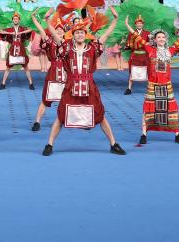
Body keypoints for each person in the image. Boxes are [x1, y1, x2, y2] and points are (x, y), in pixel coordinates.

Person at [40, 9, 125, 156]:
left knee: (100, 115)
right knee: (61, 115)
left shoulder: (92, 48)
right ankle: (49, 145)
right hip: (71, 86)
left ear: (86, 35)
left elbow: (106, 35)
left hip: (89, 86)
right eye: (77, 33)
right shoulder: (66, 48)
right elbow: (55, 36)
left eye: (82, 33)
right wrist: (47, 20)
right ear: (72, 35)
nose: (80, 35)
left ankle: (113, 144)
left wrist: (115, 20)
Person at [129, 28, 179, 145]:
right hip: (153, 85)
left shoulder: (171, 50)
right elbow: (138, 37)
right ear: (155, 40)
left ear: (166, 39)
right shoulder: (150, 49)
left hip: (166, 85)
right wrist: (128, 25)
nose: (161, 39)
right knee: (148, 109)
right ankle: (144, 133)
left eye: (163, 37)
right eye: (159, 37)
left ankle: (177, 134)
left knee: (172, 108)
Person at [30, 11, 69, 132]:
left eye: (61, 29)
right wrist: (34, 19)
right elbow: (41, 30)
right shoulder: (49, 42)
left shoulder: (68, 44)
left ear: (65, 32)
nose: (59, 31)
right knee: (46, 99)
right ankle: (37, 121)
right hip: (53, 73)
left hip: (66, 73)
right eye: (57, 29)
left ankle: (68, 119)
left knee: (68, 98)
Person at [0, 12, 34, 90]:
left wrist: (22, 32)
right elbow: (0, 31)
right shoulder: (10, 29)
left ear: (19, 20)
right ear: (12, 20)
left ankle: (31, 83)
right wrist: (10, 33)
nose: (15, 20)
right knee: (8, 67)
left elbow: (30, 30)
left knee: (26, 66)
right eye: (14, 19)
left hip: (21, 49)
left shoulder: (22, 28)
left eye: (17, 19)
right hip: (13, 49)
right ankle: (3, 83)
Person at [122, 15, 151, 95]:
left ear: (143, 24)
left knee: (147, 71)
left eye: (141, 23)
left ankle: (150, 88)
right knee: (132, 71)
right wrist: (125, 46)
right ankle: (129, 88)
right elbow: (128, 43)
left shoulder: (147, 33)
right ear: (135, 24)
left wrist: (149, 44)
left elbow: (150, 43)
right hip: (135, 55)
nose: (139, 24)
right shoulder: (131, 33)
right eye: (138, 23)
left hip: (145, 55)